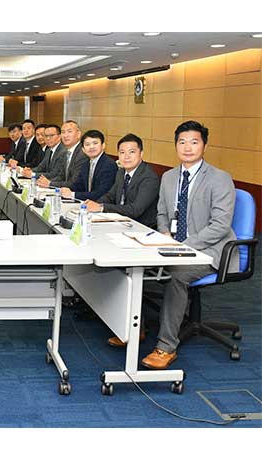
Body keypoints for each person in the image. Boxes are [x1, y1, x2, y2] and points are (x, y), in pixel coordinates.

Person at [140, 120, 238, 370]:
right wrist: (164, 232)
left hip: (210, 249)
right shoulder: (169, 177)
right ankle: (132, 328)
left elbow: (220, 225)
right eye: (182, 142)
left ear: (204, 145)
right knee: (134, 265)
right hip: (173, 244)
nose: (187, 147)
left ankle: (165, 346)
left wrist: (185, 245)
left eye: (194, 142)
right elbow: (162, 212)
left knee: (177, 275)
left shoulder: (220, 178)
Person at [85, 133, 160, 228]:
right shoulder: (121, 172)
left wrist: (101, 207)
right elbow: (110, 196)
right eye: (122, 152)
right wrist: (95, 204)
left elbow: (135, 210)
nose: (126, 156)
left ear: (141, 154)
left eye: (132, 152)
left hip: (141, 228)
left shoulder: (149, 177)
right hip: (121, 223)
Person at [59, 129, 117, 201]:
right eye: (87, 144)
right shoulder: (86, 164)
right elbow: (78, 185)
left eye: (95, 143)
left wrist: (72, 194)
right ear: (83, 149)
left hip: (100, 204)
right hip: (88, 202)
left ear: (103, 145)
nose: (91, 147)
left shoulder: (109, 164)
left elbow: (101, 193)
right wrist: (66, 190)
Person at [38, 120, 87, 189]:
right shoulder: (65, 152)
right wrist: (46, 182)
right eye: (63, 132)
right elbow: (61, 176)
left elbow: (75, 183)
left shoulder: (83, 153)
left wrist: (50, 183)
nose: (65, 135)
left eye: (69, 131)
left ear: (78, 134)